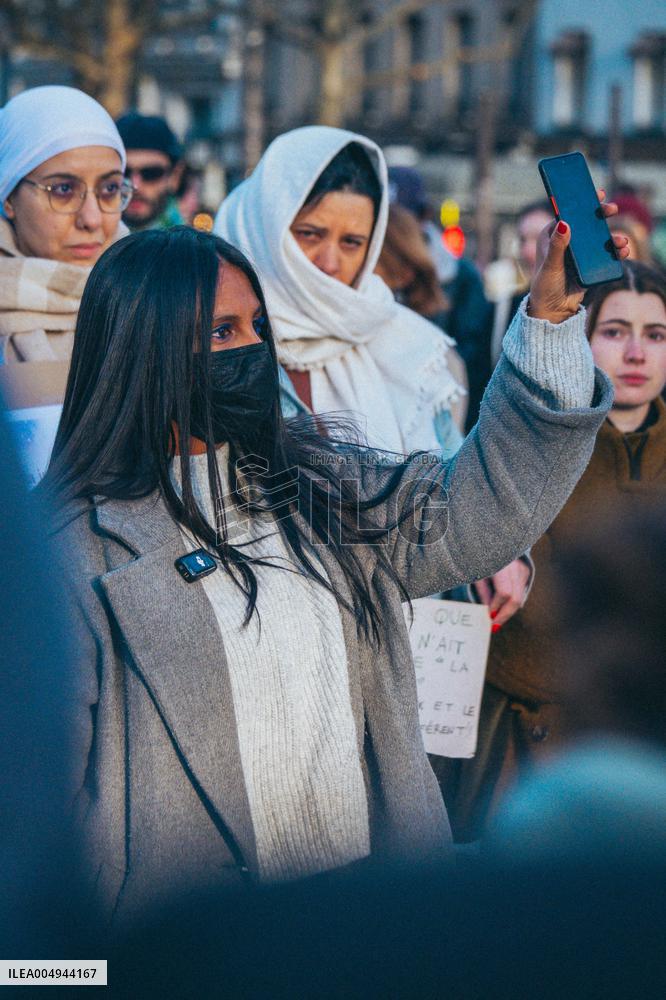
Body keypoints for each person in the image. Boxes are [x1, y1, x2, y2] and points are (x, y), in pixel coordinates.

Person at [43, 209, 621, 925]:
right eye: (222, 333)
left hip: (362, 928)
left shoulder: (322, 488)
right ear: (144, 350)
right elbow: (38, 825)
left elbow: (483, 507)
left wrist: (552, 318)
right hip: (192, 950)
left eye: (258, 327)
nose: (253, 350)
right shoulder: (68, 556)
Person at [438, 260, 666, 842]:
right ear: (584, 337)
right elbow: (467, 519)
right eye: (615, 331)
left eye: (655, 334)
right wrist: (493, 555)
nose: (636, 353)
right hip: (520, 733)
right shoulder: (537, 437)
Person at [214, 127, 465, 459]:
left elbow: (455, 488)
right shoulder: (212, 337)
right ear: (265, 228)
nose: (330, 262)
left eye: (351, 243)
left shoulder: (410, 347)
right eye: (309, 234)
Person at [0, 86, 129, 363]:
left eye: (109, 188)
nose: (92, 219)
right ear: (8, 197)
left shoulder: (159, 303)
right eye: (62, 190)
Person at [387, 165, 493, 431]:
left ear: (423, 218)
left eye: (399, 219)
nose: (391, 231)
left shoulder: (460, 276)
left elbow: (472, 361)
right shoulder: (361, 268)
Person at [375, 201, 467, 430]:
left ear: (402, 273)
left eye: (351, 243)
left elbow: (446, 458)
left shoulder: (436, 359)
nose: (331, 261)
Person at [488, 201, 553, 367]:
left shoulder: (591, 305)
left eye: (540, 238)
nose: (527, 251)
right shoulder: (504, 309)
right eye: (523, 240)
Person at [115, 112, 184, 231]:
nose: (135, 185)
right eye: (124, 172)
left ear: (175, 176)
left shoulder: (194, 248)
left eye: (151, 174)